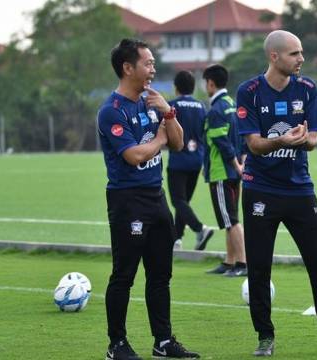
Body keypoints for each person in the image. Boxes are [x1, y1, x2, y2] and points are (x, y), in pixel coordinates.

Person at [236, 30, 317, 357]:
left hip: (299, 190)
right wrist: (281, 141)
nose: (301, 59)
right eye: (295, 54)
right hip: (259, 189)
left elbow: (313, 138)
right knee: (258, 267)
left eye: (301, 53)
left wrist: (302, 139)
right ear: (274, 56)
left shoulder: (307, 88)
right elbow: (253, 143)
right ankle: (265, 337)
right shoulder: (250, 91)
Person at [97, 38, 199, 360]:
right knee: (124, 275)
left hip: (157, 198)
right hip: (128, 201)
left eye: (154, 63)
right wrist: (159, 137)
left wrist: (168, 112)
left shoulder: (151, 103)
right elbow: (134, 155)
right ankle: (117, 344)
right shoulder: (111, 112)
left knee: (160, 275)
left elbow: (179, 144)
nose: (153, 69)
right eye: (148, 63)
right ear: (128, 68)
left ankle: (163, 342)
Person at [202, 64, 247, 277]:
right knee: (230, 219)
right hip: (234, 171)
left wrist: (235, 164)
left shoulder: (216, 110)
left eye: (205, 83)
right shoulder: (232, 104)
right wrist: (242, 162)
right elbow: (241, 136)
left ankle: (242, 264)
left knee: (231, 220)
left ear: (211, 83)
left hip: (222, 172)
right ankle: (229, 262)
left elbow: (221, 140)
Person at [167, 70, 214, 251]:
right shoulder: (201, 106)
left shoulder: (171, 106)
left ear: (176, 87)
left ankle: (200, 229)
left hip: (178, 160)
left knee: (178, 200)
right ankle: (176, 239)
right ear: (193, 87)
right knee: (184, 201)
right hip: (196, 160)